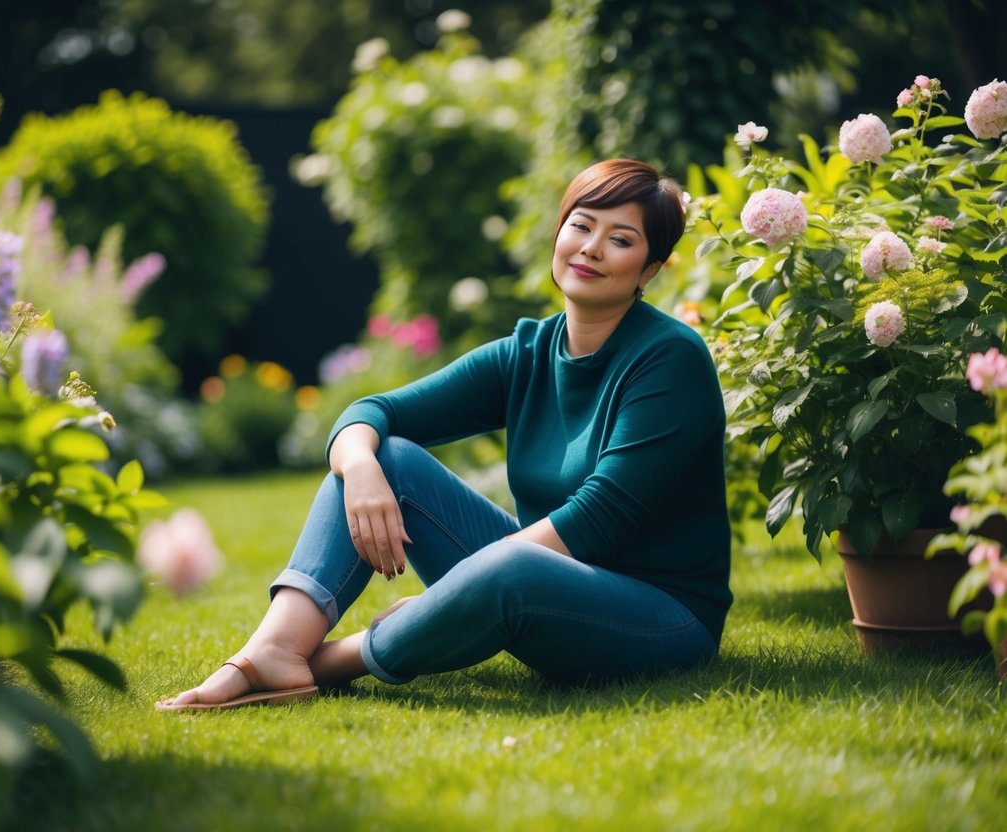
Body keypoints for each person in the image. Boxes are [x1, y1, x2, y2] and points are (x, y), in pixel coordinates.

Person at [156, 158, 732, 711]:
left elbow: (599, 520)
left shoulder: (669, 359)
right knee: (387, 456)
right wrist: (359, 469)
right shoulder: (529, 352)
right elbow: (371, 410)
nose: (591, 247)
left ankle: (330, 663)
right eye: (581, 225)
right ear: (559, 233)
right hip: (551, 583)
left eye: (621, 239)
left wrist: (444, 600)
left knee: (510, 569)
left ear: (650, 270)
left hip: (662, 616)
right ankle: (275, 650)